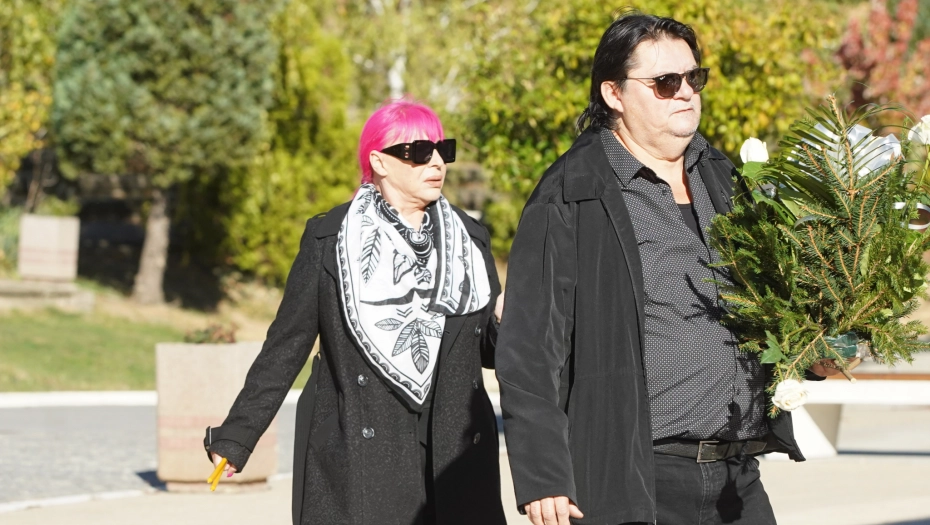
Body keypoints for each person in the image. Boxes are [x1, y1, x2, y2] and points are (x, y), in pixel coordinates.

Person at [495, 12, 841, 525]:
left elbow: (770, 301)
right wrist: (544, 473)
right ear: (614, 93)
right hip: (632, 479)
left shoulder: (724, 178)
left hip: (736, 477)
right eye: (665, 82)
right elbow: (529, 345)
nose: (685, 92)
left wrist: (813, 354)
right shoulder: (571, 193)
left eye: (693, 77)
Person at [204, 99, 507, 525]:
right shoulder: (330, 239)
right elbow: (287, 343)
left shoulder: (470, 242)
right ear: (379, 162)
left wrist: (504, 320)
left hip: (454, 455)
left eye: (444, 149)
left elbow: (487, 353)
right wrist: (237, 435)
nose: (437, 162)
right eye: (420, 152)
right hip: (362, 454)